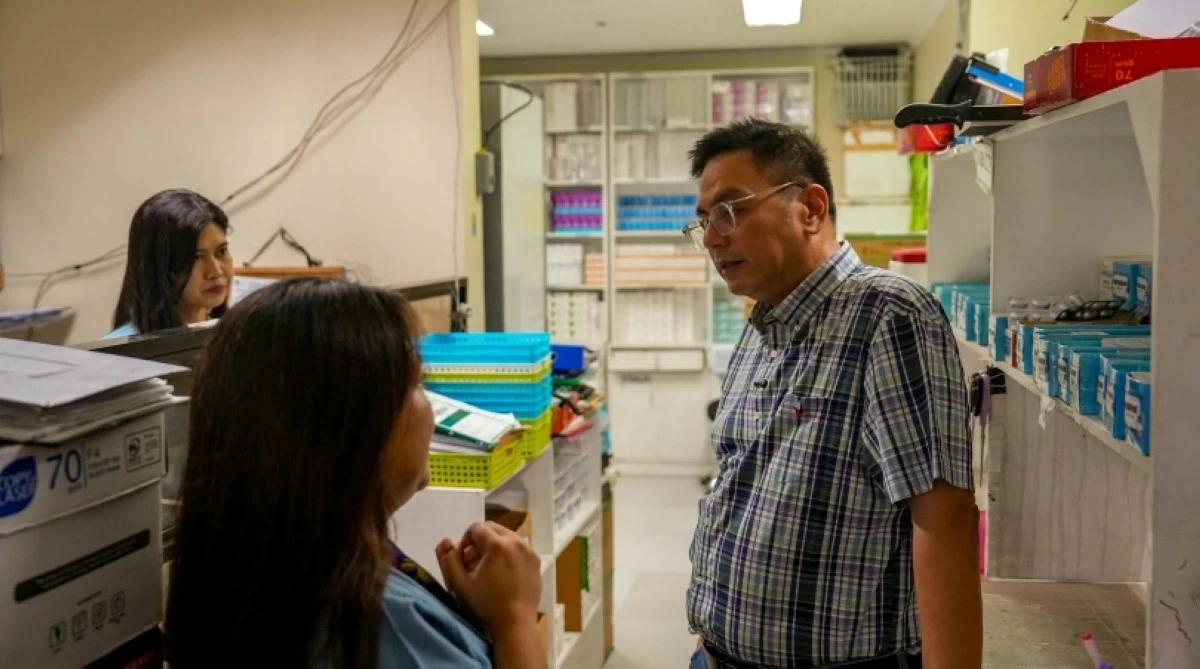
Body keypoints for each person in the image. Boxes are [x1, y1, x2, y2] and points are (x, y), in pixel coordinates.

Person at [683, 120, 981, 669]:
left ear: (811, 208)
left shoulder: (888, 315)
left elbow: (945, 520)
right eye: (703, 222)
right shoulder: (762, 325)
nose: (714, 238)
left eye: (731, 210)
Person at [165, 279, 547, 669]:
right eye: (417, 384)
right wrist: (514, 619)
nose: (430, 408)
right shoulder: (380, 624)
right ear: (351, 431)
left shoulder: (241, 582)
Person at [106, 189, 233, 338]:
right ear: (161, 267)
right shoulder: (121, 349)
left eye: (221, 251)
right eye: (196, 258)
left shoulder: (232, 332)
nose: (216, 271)